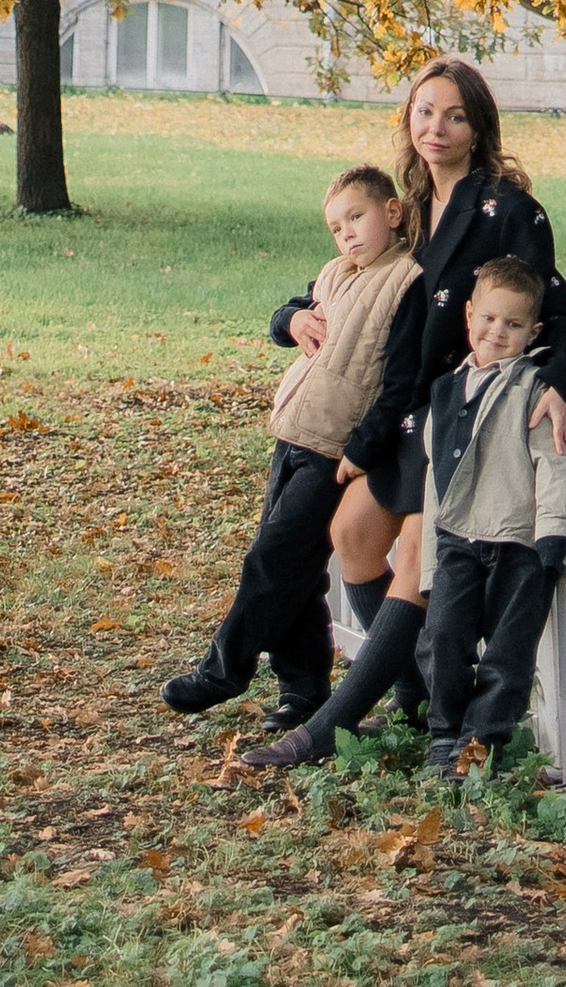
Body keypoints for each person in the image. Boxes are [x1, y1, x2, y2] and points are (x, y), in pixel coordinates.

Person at [244, 54, 566, 769]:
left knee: (414, 558)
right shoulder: (406, 210)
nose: (437, 126)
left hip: (473, 419)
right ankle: (420, 696)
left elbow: (554, 309)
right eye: (425, 111)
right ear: (409, 119)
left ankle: (326, 728)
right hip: (405, 414)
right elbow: (338, 281)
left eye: (455, 115)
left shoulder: (507, 209)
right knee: (352, 533)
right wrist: (290, 318)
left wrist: (559, 383)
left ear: (477, 127)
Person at [162, 164, 419, 727]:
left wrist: (364, 447)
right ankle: (303, 692)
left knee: (274, 558)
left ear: (392, 213)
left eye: (357, 217)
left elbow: (401, 381)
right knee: (297, 571)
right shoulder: (335, 273)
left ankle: (225, 667)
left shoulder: (407, 281)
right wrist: (295, 319)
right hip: (293, 436)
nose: (346, 233)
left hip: (335, 447)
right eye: (335, 226)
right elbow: (286, 314)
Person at [411, 257, 566, 773]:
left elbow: (556, 460)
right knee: (441, 639)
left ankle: (483, 743)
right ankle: (446, 735)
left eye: (513, 324)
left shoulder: (534, 390)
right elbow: (436, 477)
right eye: (488, 318)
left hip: (518, 541)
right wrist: (429, 564)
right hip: (458, 536)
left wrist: (554, 532)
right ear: (468, 315)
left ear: (533, 333)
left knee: (508, 653)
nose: (497, 332)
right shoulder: (444, 392)